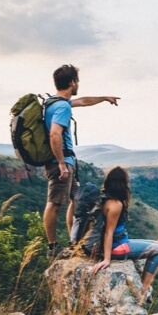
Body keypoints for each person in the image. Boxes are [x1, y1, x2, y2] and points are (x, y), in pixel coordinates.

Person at [43, 64, 120, 259]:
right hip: (60, 162)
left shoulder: (57, 102)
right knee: (54, 203)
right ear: (72, 82)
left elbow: (84, 101)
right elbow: (54, 134)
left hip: (65, 160)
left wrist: (104, 98)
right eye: (77, 81)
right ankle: (52, 247)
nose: (78, 84)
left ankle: (74, 241)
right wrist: (61, 163)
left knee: (77, 199)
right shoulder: (61, 106)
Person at [91, 166, 158, 303]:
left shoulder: (103, 198)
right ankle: (144, 289)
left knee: (157, 245)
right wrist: (107, 259)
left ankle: (144, 288)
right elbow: (109, 232)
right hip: (117, 246)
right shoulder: (115, 204)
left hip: (118, 242)